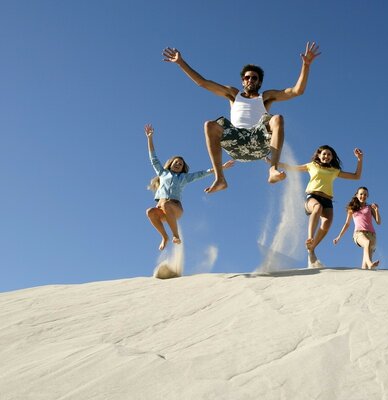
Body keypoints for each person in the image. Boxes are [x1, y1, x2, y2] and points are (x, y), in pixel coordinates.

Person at [162, 42, 321, 193]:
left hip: (258, 142)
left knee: (277, 118)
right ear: (242, 81)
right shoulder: (233, 94)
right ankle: (220, 178)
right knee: (209, 125)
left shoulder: (266, 97)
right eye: (247, 77)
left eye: (254, 78)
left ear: (259, 82)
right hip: (236, 142)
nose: (250, 80)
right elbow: (203, 83)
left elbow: (296, 91)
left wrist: (306, 66)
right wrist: (181, 63)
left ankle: (273, 169)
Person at [145, 124, 234, 251]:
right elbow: (153, 158)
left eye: (180, 164)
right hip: (161, 210)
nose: (178, 164)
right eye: (176, 163)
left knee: (167, 205)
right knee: (149, 211)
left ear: (182, 168)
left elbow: (202, 173)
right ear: (171, 164)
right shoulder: (163, 173)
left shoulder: (184, 178)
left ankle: (176, 235)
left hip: (174, 208)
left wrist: (220, 168)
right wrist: (150, 138)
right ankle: (165, 237)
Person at [277, 145, 363, 268]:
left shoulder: (334, 170)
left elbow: (356, 176)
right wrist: (274, 163)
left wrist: (359, 159)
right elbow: (292, 167)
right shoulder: (312, 165)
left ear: (332, 157)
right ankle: (310, 238)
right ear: (318, 155)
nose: (326, 156)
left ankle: (311, 249)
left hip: (327, 200)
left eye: (329, 154)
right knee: (317, 208)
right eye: (324, 154)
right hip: (312, 197)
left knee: (327, 224)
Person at [333, 187, 381, 270]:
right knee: (367, 242)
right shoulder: (352, 209)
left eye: (365, 194)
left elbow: (378, 222)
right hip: (359, 234)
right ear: (357, 195)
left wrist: (376, 210)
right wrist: (338, 237)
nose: (363, 196)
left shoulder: (370, 208)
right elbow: (347, 224)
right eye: (361, 194)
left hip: (372, 235)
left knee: (364, 268)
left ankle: (367, 266)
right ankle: (370, 264)